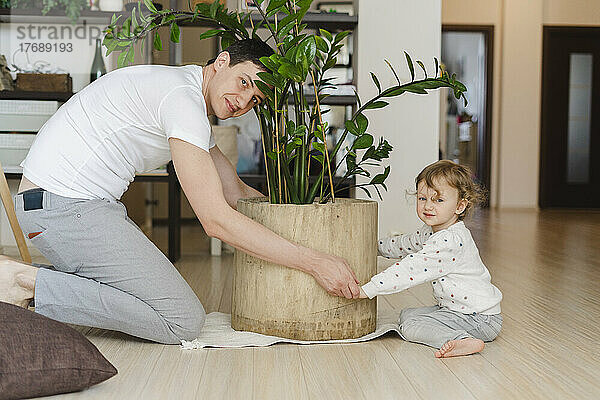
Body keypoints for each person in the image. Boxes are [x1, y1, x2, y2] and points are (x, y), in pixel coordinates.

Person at [0, 38, 361, 344]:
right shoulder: (183, 100)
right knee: (182, 320)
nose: (244, 99)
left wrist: (304, 222)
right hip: (63, 209)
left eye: (255, 99)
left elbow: (235, 191)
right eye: (244, 81)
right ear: (221, 62)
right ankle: (24, 283)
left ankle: (42, 281)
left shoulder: (186, 97)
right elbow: (216, 221)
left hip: (64, 206)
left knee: (157, 302)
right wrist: (315, 263)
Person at [359, 160, 502, 358]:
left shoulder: (449, 241)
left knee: (411, 326)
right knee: (406, 314)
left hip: (479, 320)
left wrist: (369, 289)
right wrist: (371, 247)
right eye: (422, 198)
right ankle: (459, 335)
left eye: (438, 200)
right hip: (461, 311)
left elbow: (411, 269)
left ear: (460, 206)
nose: (428, 206)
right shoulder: (434, 232)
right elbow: (405, 244)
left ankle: (461, 340)